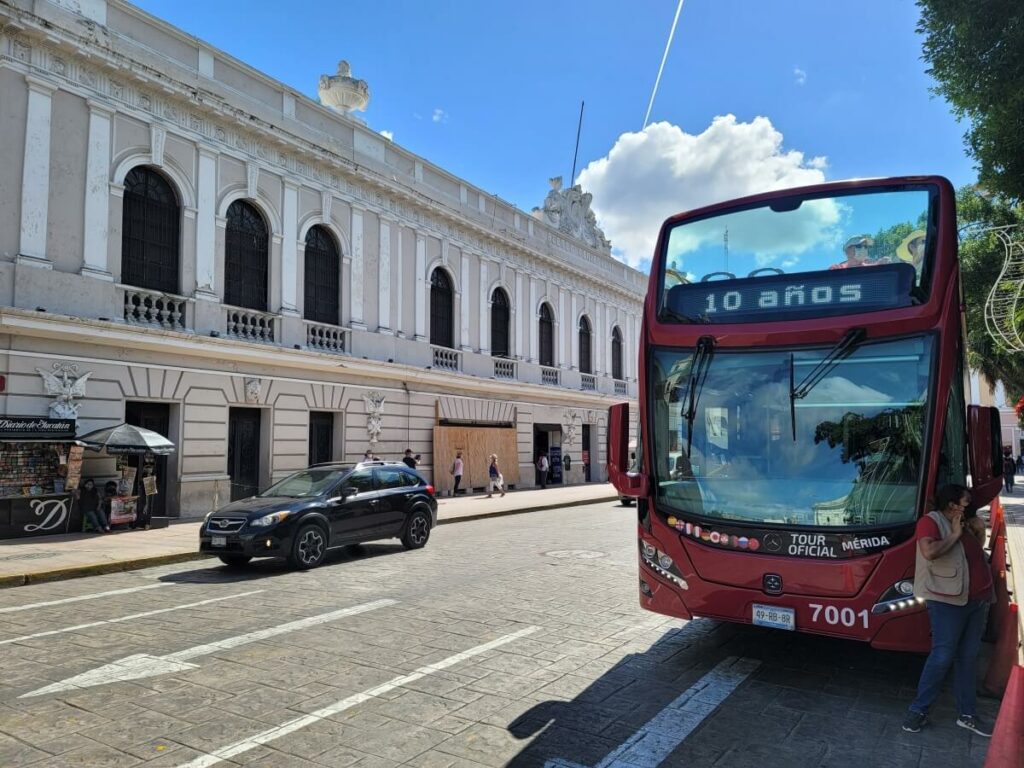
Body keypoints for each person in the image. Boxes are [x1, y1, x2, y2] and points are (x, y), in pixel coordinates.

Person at [902, 484, 994, 737]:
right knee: (942, 655)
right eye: (965, 503)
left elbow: (976, 551)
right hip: (946, 601)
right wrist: (954, 533)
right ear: (950, 504)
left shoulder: (966, 522)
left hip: (977, 600)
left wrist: (977, 530)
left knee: (969, 657)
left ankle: (967, 714)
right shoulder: (931, 522)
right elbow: (929, 552)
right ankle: (918, 711)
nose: (968, 507)